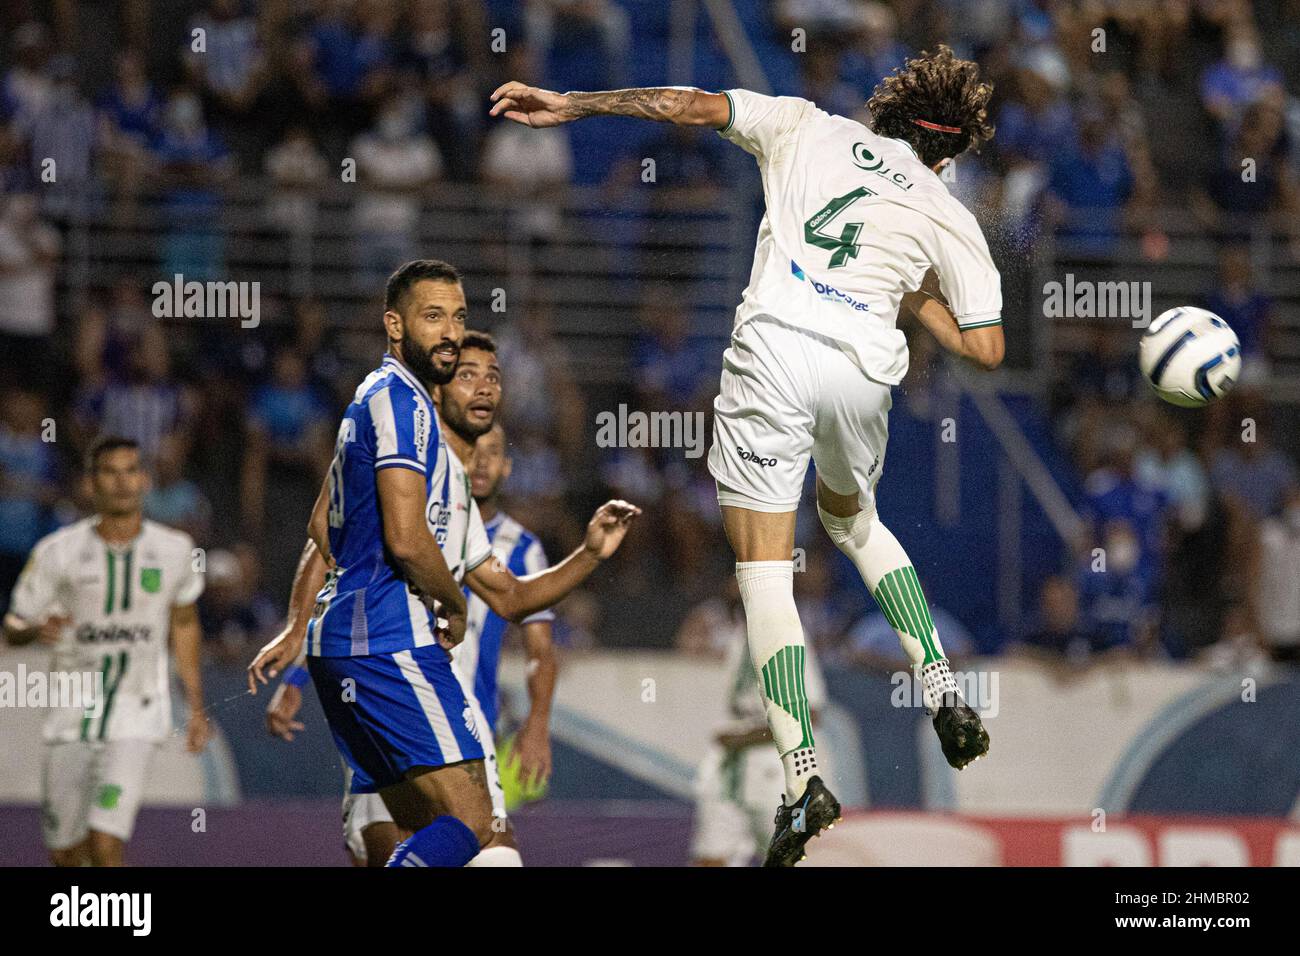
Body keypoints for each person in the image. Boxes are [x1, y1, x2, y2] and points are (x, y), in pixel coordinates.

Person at [491, 44, 1001, 865]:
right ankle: (940, 685)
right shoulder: (945, 207)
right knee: (855, 521)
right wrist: (913, 296)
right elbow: (986, 347)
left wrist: (575, 103)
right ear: (943, 150)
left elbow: (688, 103)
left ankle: (801, 780)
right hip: (861, 367)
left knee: (764, 572)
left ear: (888, 115)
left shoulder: (804, 122)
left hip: (773, 349)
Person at [247, 260, 638, 868]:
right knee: (473, 824)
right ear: (395, 326)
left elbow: (503, 595)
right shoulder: (399, 404)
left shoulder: (428, 450)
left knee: (460, 844)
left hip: (362, 650)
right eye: (435, 317)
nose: (452, 333)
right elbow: (403, 540)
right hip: (388, 645)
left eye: (459, 317)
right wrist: (452, 604)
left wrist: (589, 553)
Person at [3, 436, 210, 866]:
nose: (122, 483)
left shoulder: (174, 551)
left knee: (104, 839)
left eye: (131, 471)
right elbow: (14, 622)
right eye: (110, 473)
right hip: (70, 715)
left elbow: (185, 623)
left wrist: (194, 704)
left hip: (137, 713)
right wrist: (34, 629)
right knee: (65, 850)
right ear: (89, 483)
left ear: (145, 480)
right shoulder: (57, 552)